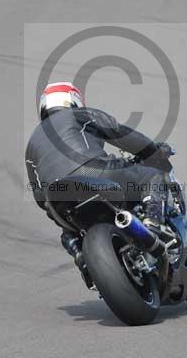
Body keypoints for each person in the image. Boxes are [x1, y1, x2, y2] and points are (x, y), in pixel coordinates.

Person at [25, 82, 173, 271]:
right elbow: (121, 134)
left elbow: (39, 196)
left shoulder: (31, 143)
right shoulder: (79, 115)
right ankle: (153, 223)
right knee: (154, 178)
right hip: (94, 171)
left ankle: (79, 254)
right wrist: (154, 152)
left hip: (57, 194)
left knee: (67, 229)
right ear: (73, 100)